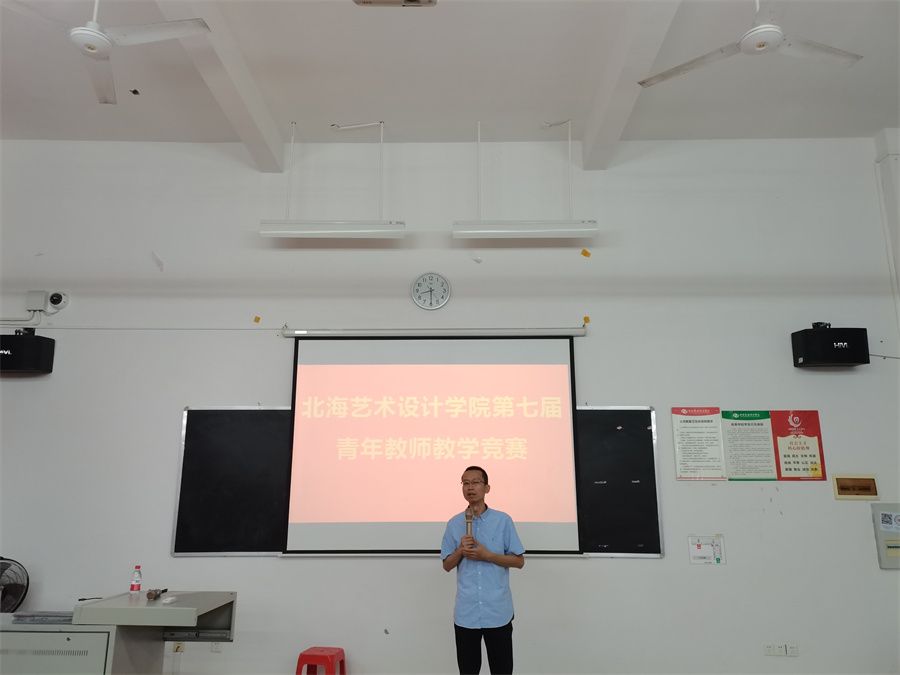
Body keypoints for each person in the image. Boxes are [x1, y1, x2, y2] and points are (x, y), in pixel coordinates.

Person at [440, 466, 525, 675]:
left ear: (487, 488)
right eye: (465, 483)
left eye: (476, 482)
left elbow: (519, 561)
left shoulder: (502, 521)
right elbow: (447, 565)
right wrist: (460, 550)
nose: (470, 488)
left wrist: (488, 555)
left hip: (497, 611)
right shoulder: (454, 523)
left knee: (502, 670)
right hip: (466, 612)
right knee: (468, 671)